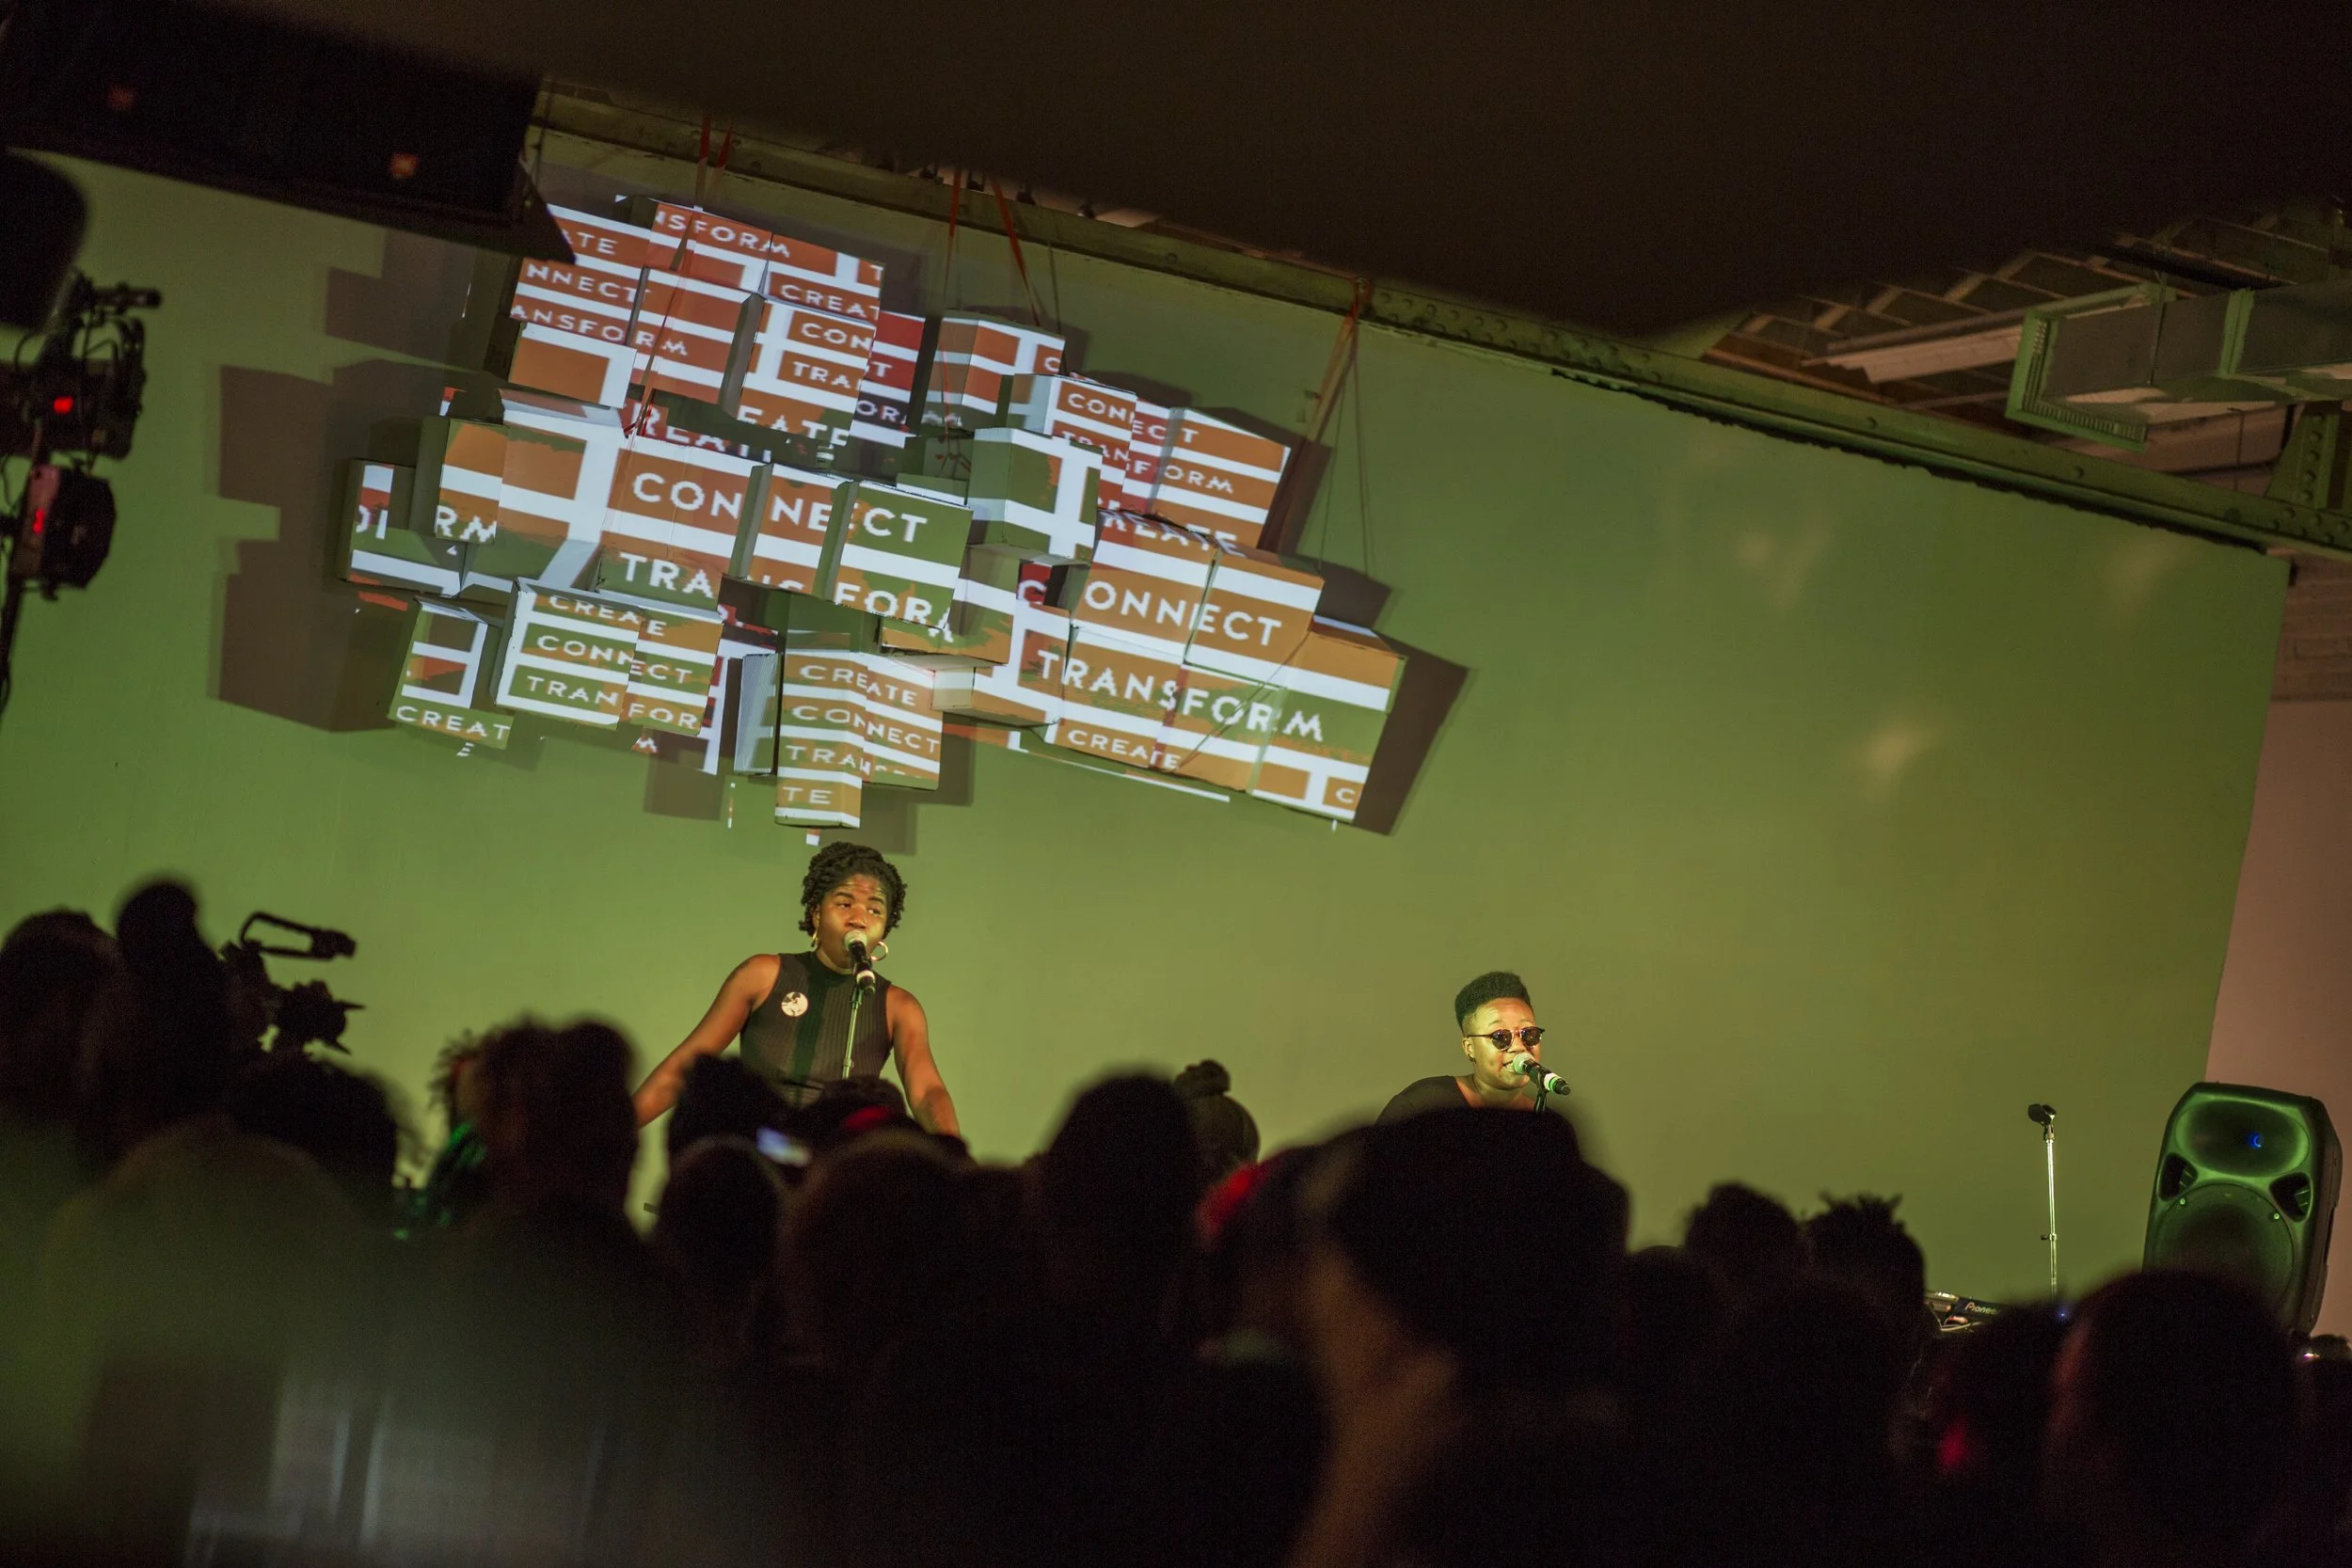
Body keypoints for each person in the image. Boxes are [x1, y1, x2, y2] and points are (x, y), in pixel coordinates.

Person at [632, 843, 958, 1135]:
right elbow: (685, 1069)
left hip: (829, 1170)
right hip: (758, 1153)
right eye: (844, 903)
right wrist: (616, 1132)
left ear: (886, 927)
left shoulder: (898, 1007)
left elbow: (927, 1092)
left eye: (875, 910)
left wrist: (957, 1159)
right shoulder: (763, 975)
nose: (859, 918)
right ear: (816, 914)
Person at [1376, 970, 1565, 1124]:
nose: (1518, 1046)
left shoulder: (1549, 1126)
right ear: (1470, 1048)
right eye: (1500, 1037)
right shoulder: (1423, 1105)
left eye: (1528, 1034)